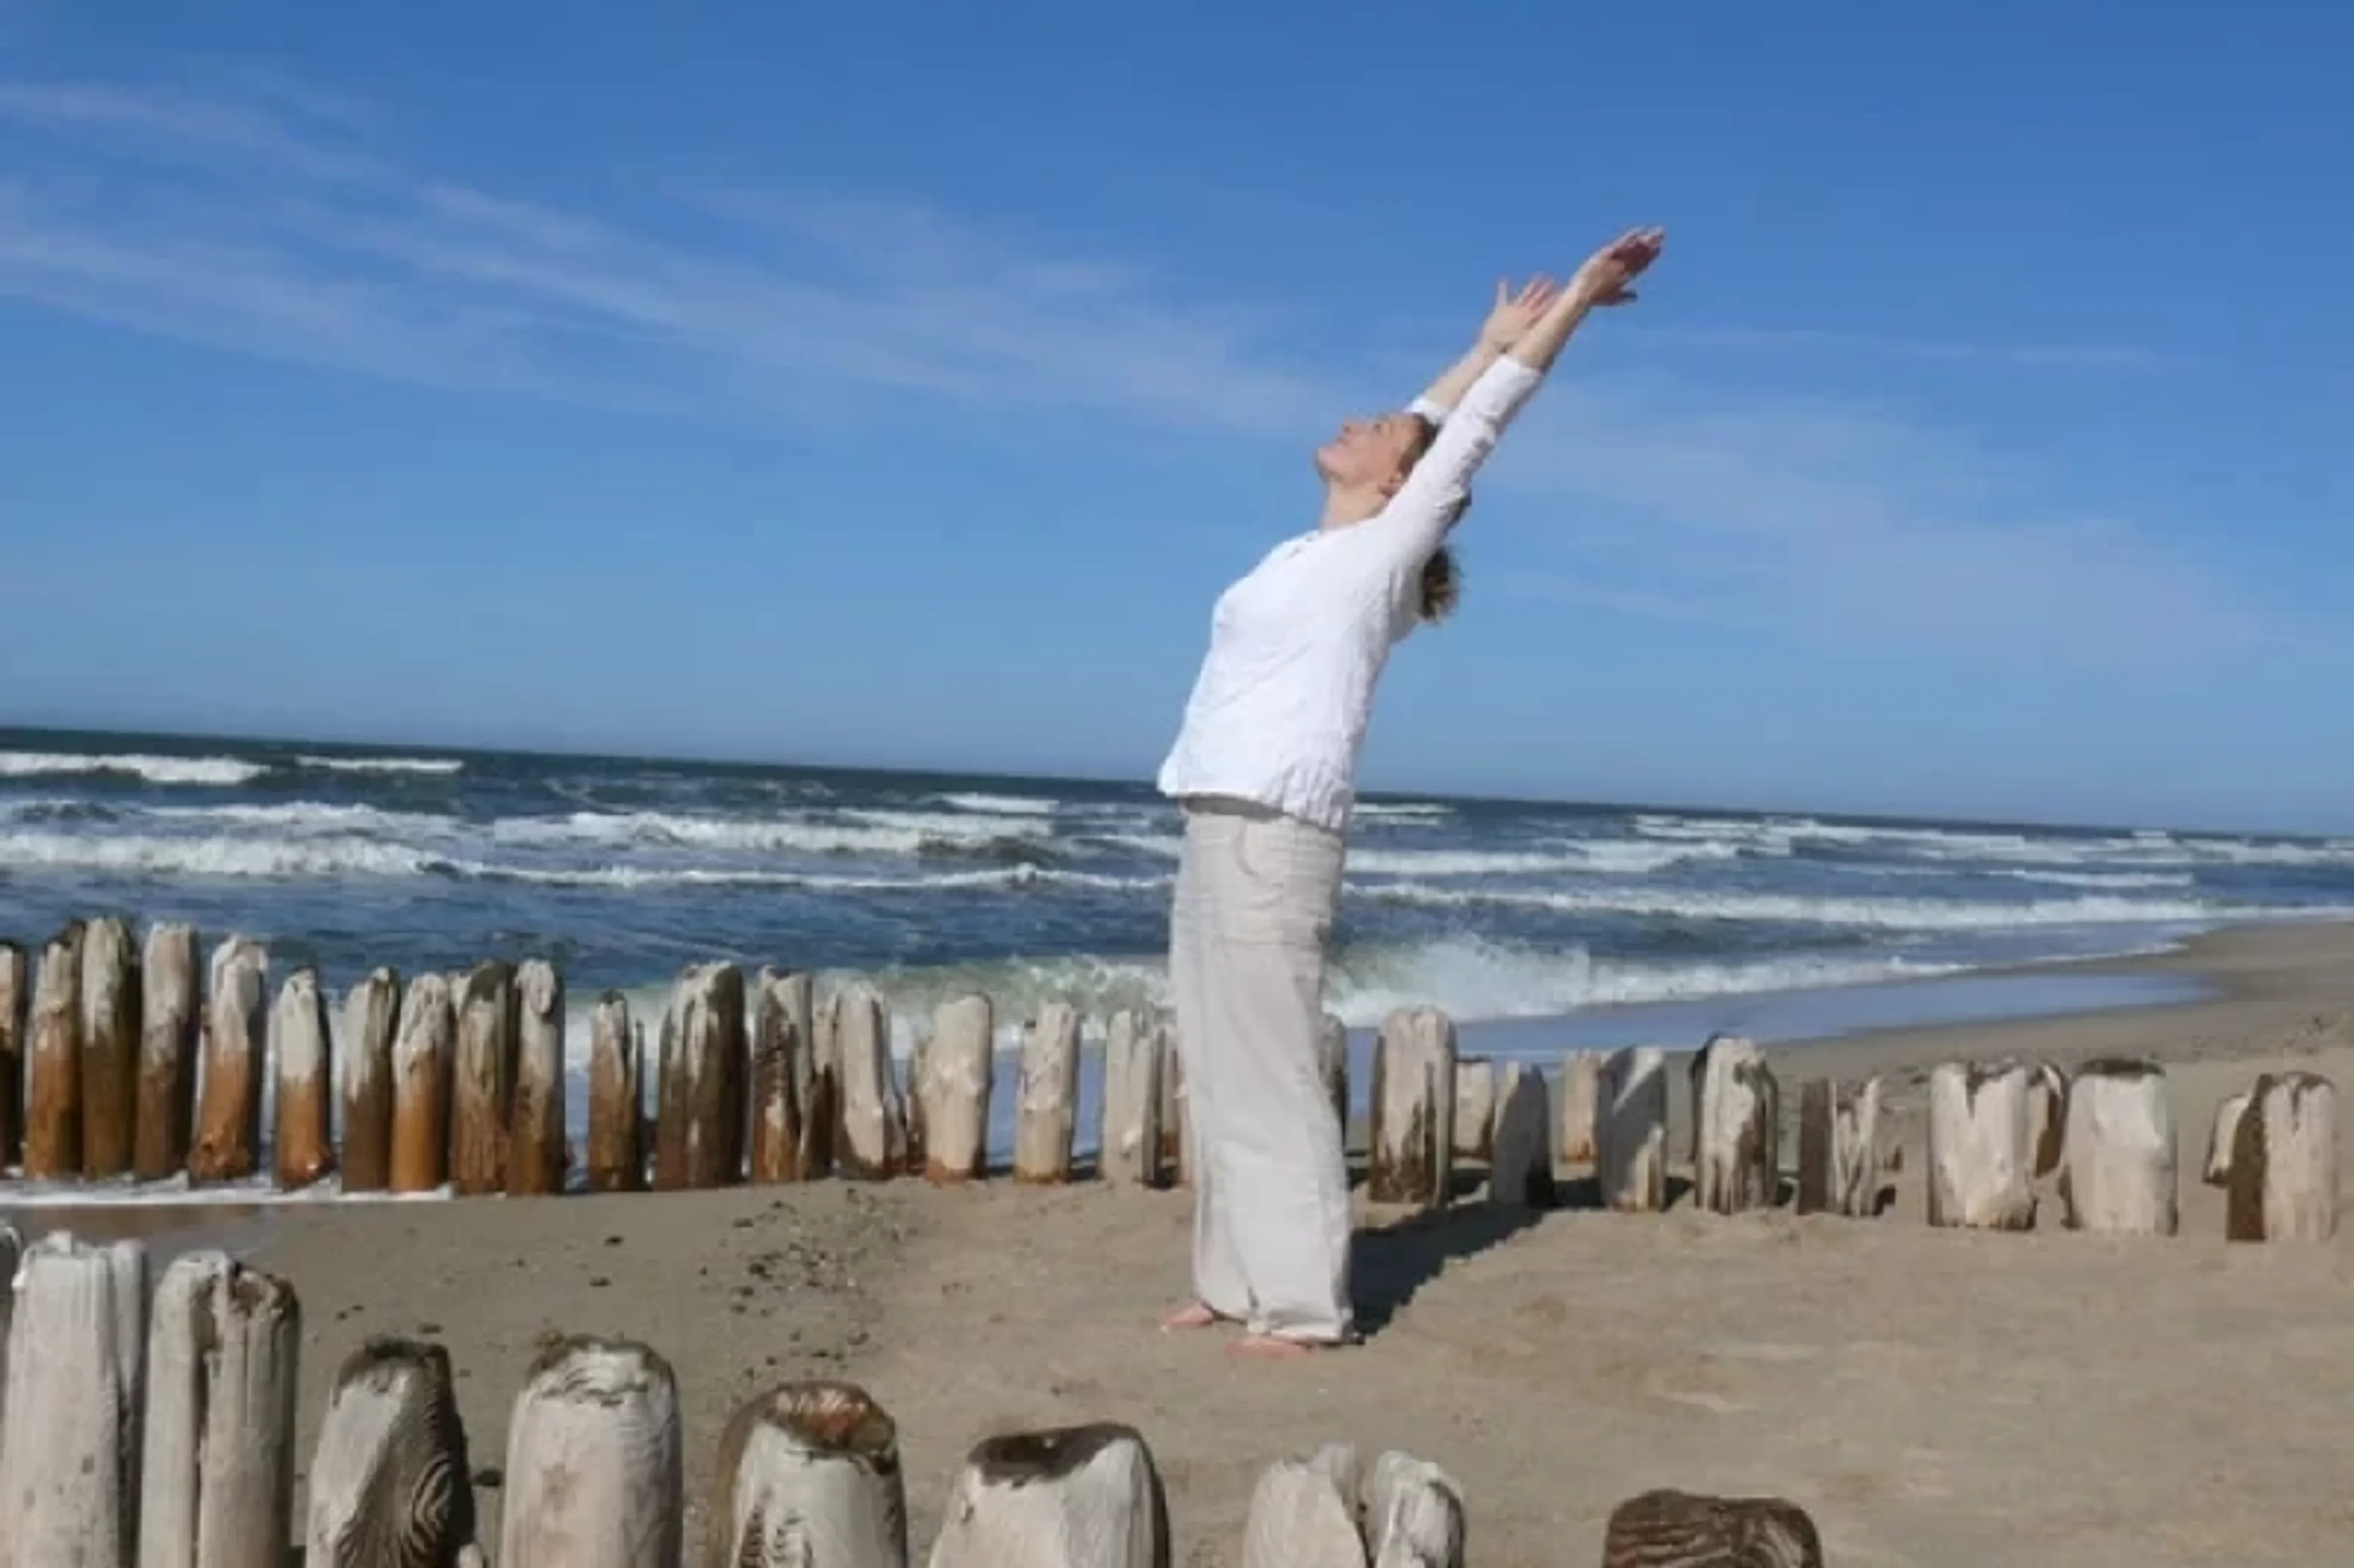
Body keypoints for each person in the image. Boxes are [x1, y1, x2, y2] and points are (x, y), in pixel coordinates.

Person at [1152, 226, 1667, 1358]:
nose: (1355, 420)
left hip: (1277, 832)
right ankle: (1234, 1282)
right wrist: (1477, 341)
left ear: (1397, 483)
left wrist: (1572, 300)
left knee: (1274, 1066)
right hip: (1210, 819)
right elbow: (1427, 415)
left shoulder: (1379, 557)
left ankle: (1303, 1304)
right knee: (1217, 1060)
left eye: (1373, 428)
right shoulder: (1302, 553)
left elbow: (1467, 431)